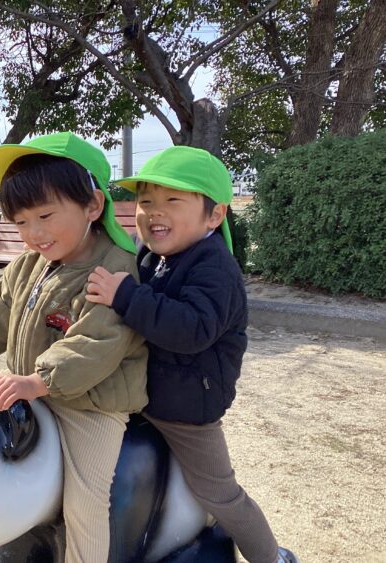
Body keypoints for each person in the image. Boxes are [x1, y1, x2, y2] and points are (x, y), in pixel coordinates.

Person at [0, 132, 149, 563]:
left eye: (45, 215)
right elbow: (0, 309)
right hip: (33, 389)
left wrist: (39, 380)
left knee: (85, 502)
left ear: (92, 206)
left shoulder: (114, 269)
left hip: (90, 403)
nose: (34, 233)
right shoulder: (31, 263)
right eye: (21, 222)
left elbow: (97, 341)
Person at [85, 145, 298, 563]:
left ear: (214, 215)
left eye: (172, 200)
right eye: (146, 201)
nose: (154, 212)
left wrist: (126, 296)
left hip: (186, 405)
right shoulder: (152, 255)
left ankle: (271, 556)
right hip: (143, 393)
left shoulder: (215, 267)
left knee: (217, 492)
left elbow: (192, 329)